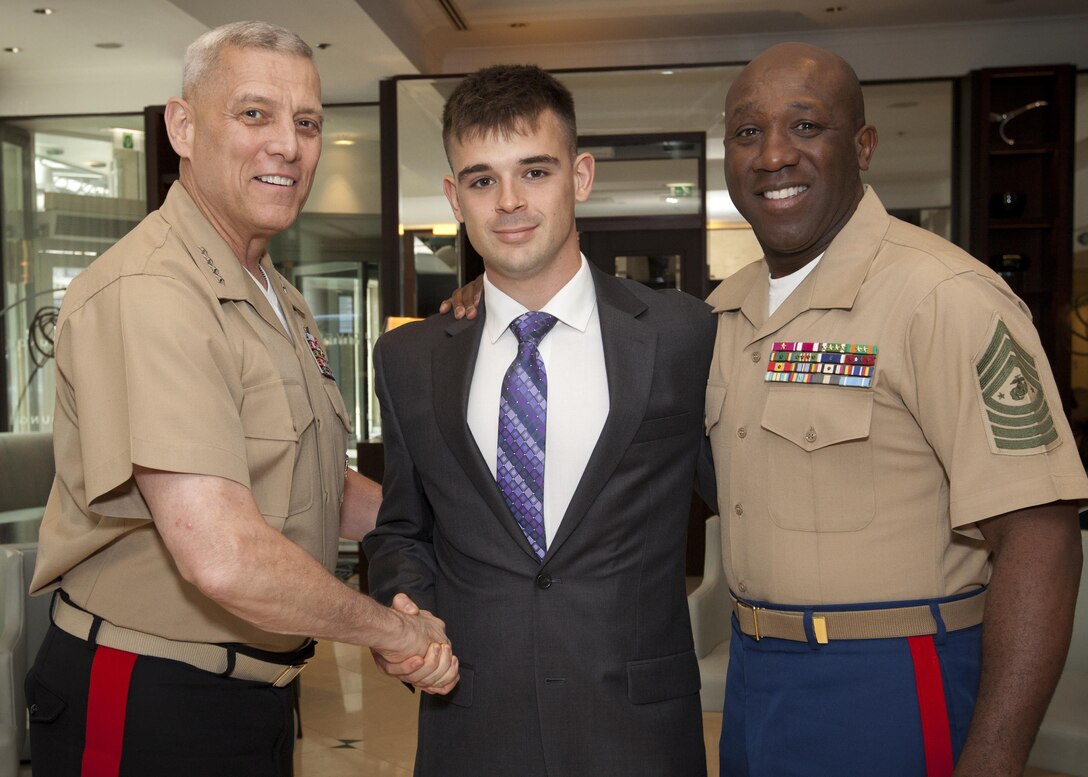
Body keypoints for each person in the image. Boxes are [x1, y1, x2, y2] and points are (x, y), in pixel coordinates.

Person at [26, 21, 456, 776]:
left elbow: (310, 483)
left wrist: (460, 529)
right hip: (151, 697)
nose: (287, 145)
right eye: (255, 113)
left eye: (307, 122)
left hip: (254, 695)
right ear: (183, 127)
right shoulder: (154, 291)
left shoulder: (275, 294)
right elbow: (222, 556)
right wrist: (393, 632)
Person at [705, 42, 1086, 777]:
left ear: (864, 146)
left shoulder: (943, 296)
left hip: (892, 679)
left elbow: (1041, 537)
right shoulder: (729, 310)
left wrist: (996, 757)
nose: (773, 155)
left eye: (806, 126)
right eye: (748, 132)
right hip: (756, 678)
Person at [364, 64, 716, 776]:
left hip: (638, 730)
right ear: (454, 198)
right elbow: (404, 528)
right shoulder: (408, 358)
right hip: (473, 725)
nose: (509, 202)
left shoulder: (683, 333)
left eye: (534, 171)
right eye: (482, 179)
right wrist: (404, 609)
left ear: (579, 177)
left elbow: (745, 497)